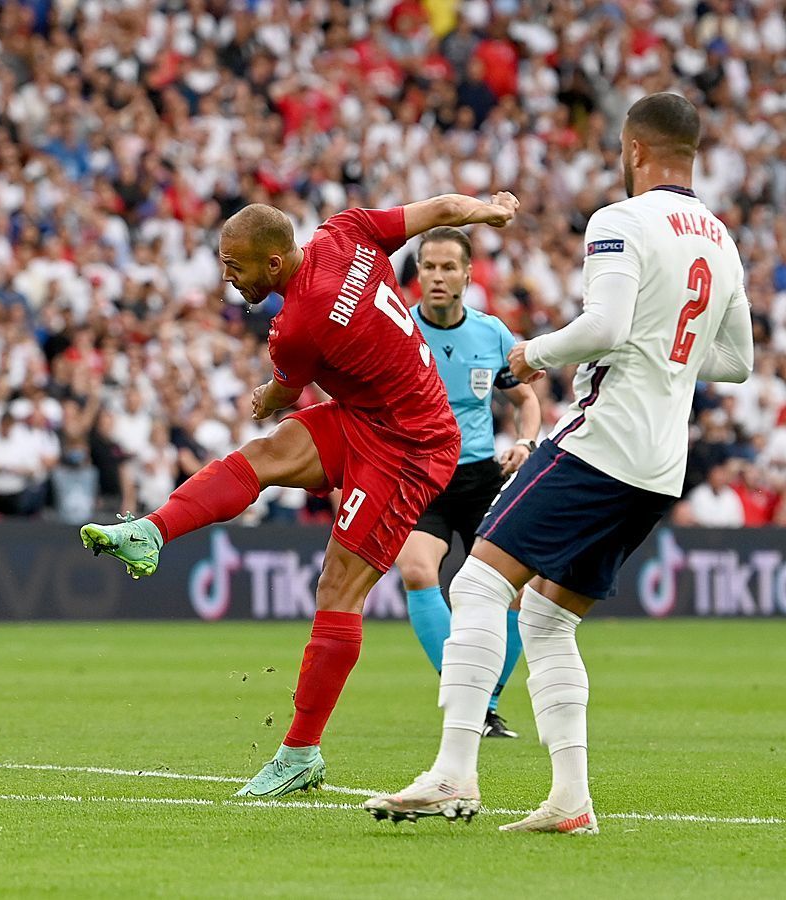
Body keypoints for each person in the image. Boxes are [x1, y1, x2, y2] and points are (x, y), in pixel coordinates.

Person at [367, 93, 751, 834]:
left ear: (635, 149)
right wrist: (665, 350)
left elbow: (604, 325)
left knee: (478, 582)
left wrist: (529, 353)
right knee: (544, 618)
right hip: (660, 463)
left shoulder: (621, 220)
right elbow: (737, 359)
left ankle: (453, 770)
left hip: (600, 441)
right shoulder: (722, 240)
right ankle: (571, 800)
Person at [80, 191, 520, 797]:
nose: (227, 276)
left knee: (338, 587)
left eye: (235, 265)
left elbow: (283, 394)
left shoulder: (297, 328)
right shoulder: (346, 233)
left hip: (413, 445)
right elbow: (439, 209)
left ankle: (300, 752)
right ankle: (152, 531)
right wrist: (486, 208)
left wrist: (265, 398)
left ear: (275, 262)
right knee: (265, 456)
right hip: (368, 414)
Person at [399, 227, 542, 740]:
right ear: (418, 274)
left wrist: (525, 444)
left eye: (447, 267)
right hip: (420, 474)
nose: (437, 277)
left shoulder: (492, 334)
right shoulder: (399, 332)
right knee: (416, 569)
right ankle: (464, 690)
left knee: (516, 592)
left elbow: (525, 400)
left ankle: (487, 702)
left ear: (466, 274)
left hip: (482, 474)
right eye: (428, 267)